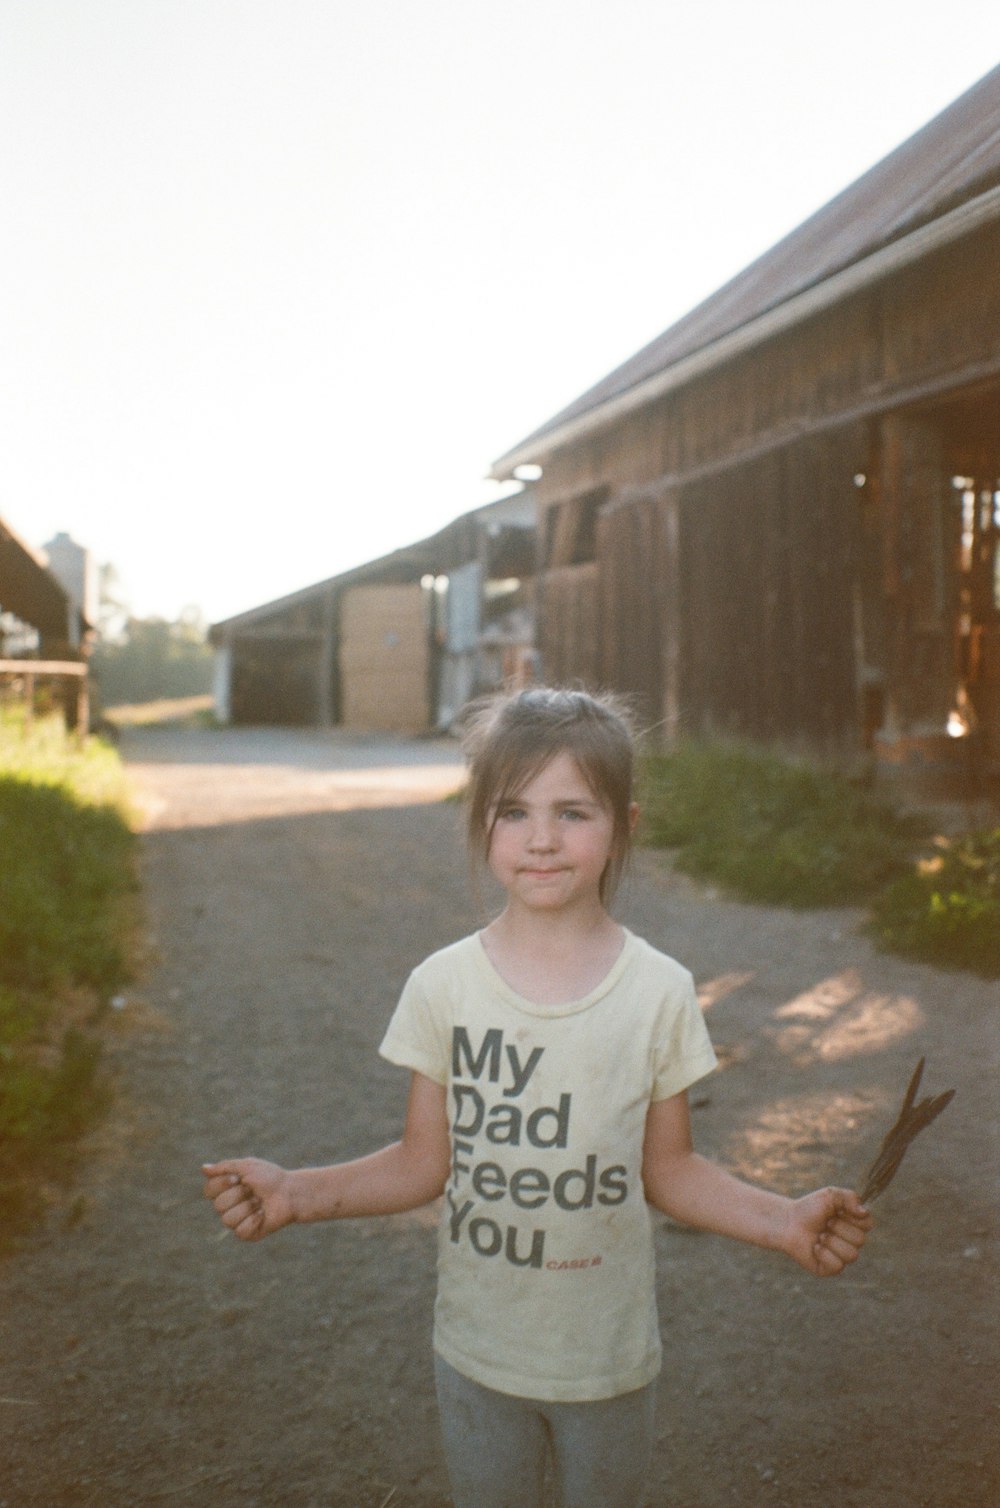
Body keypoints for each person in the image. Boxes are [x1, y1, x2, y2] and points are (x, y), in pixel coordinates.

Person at [202, 686, 872, 1508]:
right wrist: (296, 1193)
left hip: (608, 1361)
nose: (542, 839)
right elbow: (421, 1164)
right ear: (479, 822)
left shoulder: (658, 991)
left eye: (574, 812)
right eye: (513, 811)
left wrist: (782, 1219)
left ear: (625, 824)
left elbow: (671, 1171)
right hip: (478, 1355)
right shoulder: (443, 985)